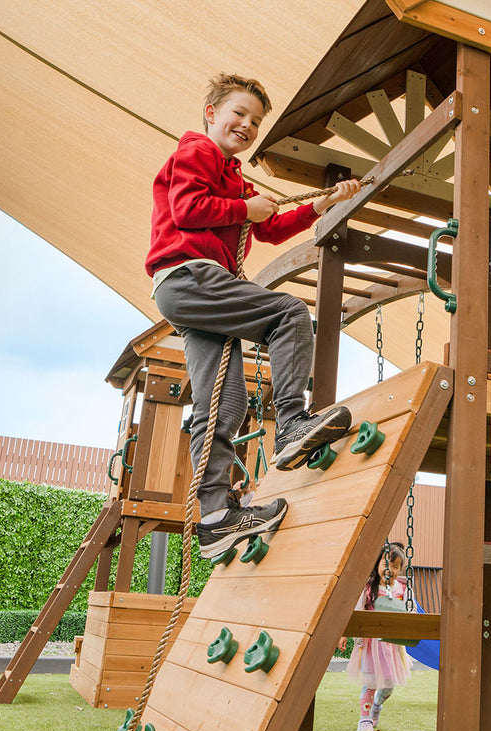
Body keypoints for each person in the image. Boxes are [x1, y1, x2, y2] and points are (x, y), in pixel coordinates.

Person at [146, 73, 361, 560]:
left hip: (190, 293)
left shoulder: (235, 178)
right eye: (238, 114)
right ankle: (291, 423)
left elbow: (269, 228)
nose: (246, 125)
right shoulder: (198, 151)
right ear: (211, 113)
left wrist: (321, 205)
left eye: (255, 121)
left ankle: (216, 517)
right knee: (288, 313)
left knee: (222, 402)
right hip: (190, 275)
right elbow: (187, 208)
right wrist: (245, 207)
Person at [339, 542, 412, 731]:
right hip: (371, 645)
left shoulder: (402, 590)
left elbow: (407, 614)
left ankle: (377, 706)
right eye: (386, 564)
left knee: (388, 686)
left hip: (391, 646)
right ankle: (364, 720)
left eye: (396, 567)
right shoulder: (368, 587)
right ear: (378, 564)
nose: (390, 570)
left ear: (401, 570)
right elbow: (355, 612)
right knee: (370, 682)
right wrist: (345, 633)